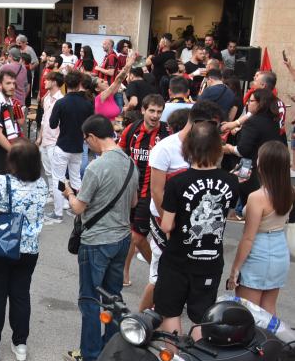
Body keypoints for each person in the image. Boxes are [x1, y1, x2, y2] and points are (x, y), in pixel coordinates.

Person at [62, 115, 138, 361]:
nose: (87, 145)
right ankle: (111, 349)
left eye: (87, 141)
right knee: (113, 296)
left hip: (96, 241)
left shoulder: (96, 167)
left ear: (92, 137)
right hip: (122, 238)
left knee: (90, 298)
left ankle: (90, 354)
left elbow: (78, 208)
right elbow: (135, 202)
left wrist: (70, 194)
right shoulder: (130, 163)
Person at [157, 121, 238, 338]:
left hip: (177, 261)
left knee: (171, 312)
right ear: (216, 147)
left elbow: (166, 225)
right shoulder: (231, 181)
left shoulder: (177, 182)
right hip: (211, 261)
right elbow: (226, 213)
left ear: (189, 147)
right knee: (201, 317)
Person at [0, 139, 48, 361]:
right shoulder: (42, 185)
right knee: (20, 295)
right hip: (29, 249)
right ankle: (20, 344)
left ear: (13, 162)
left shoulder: (1, 182)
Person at [227, 141, 293, 315]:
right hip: (280, 249)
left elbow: (248, 238)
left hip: (259, 252)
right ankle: (271, 343)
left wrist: (235, 270)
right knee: (268, 309)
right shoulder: (289, 191)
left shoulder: (257, 197)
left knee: (248, 312)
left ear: (263, 164)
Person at [118, 94, 168, 287]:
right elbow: (120, 154)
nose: (155, 115)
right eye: (152, 111)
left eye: (159, 111)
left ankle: (161, 273)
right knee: (129, 232)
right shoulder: (131, 130)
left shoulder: (166, 134)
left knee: (137, 237)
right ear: (143, 110)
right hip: (130, 191)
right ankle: (124, 270)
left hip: (151, 193)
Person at [224, 88, 288, 207]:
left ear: (260, 103)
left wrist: (229, 148)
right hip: (269, 170)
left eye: (251, 100)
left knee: (250, 205)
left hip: (252, 169)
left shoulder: (253, 121)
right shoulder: (274, 120)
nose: (248, 103)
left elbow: (242, 150)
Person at [47, 70, 94, 224]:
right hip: (78, 146)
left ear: (66, 84)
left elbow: (52, 124)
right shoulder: (87, 103)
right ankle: (77, 210)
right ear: (80, 83)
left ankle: (58, 212)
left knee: (58, 179)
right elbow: (90, 125)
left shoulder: (61, 103)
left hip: (62, 144)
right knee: (76, 178)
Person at [37, 70, 64, 221]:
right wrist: (40, 137)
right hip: (45, 139)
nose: (45, 82)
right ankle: (53, 195)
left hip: (55, 141)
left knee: (57, 175)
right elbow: (43, 120)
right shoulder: (47, 98)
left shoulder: (61, 100)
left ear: (54, 82)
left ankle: (62, 201)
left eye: (47, 80)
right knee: (47, 171)